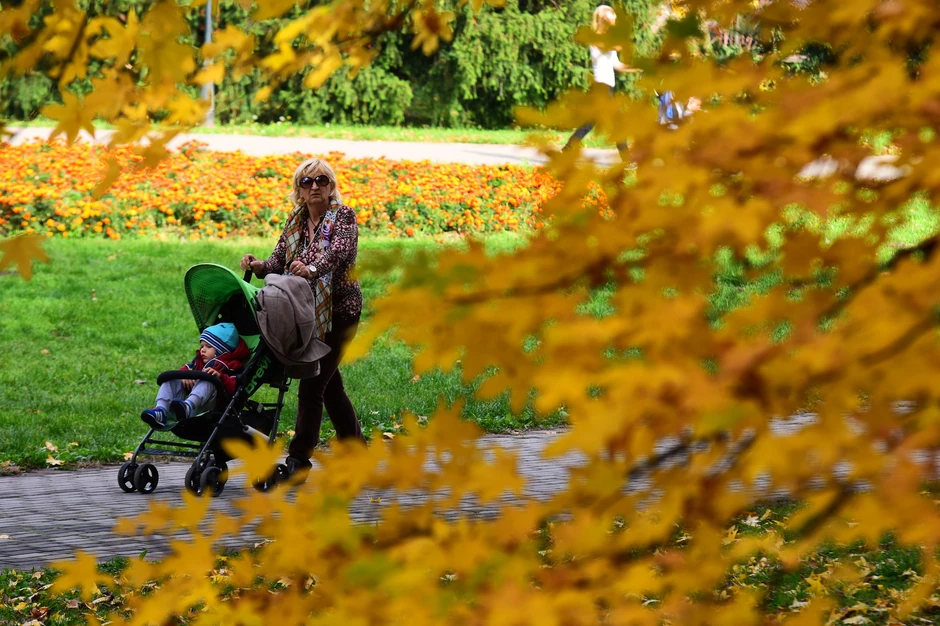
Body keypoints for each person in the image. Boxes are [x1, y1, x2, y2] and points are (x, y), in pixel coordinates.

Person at [240, 157, 365, 481]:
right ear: (298, 189)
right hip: (307, 313)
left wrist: (310, 269)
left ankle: (298, 461)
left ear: (331, 185)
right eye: (307, 182)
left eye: (321, 180)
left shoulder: (344, 217)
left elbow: (337, 254)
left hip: (339, 313)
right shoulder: (295, 221)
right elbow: (278, 260)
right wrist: (258, 265)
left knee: (312, 387)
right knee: (330, 387)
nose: (314, 187)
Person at [563, 4, 643, 160]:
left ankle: (566, 150)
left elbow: (617, 65)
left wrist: (637, 68)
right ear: (604, 18)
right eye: (612, 16)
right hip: (602, 88)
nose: (615, 20)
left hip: (606, 89)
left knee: (588, 124)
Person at [140, 322, 250, 430]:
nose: (202, 349)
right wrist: (184, 376)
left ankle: (188, 407)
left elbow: (233, 386)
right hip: (190, 394)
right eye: (201, 346)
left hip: (213, 401)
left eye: (208, 346)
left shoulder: (232, 365)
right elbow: (188, 367)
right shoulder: (199, 362)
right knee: (171, 379)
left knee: (207, 379)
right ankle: (161, 410)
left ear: (222, 350)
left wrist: (220, 376)